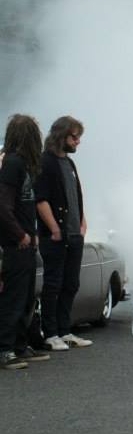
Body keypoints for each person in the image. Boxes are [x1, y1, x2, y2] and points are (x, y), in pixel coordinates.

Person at [34, 116, 92, 350]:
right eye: (74, 137)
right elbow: (41, 199)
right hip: (56, 236)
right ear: (61, 136)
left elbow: (75, 195)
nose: (78, 142)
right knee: (53, 284)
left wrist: (82, 221)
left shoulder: (69, 163)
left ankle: (64, 330)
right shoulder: (45, 162)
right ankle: (50, 333)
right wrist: (54, 228)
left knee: (71, 283)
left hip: (74, 234)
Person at [0, 115, 50, 370]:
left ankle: (20, 345)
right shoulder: (12, 164)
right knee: (14, 297)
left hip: (27, 242)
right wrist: (19, 234)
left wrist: (31, 234)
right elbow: (3, 206)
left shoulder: (23, 165)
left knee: (26, 296)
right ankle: (5, 349)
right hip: (16, 244)